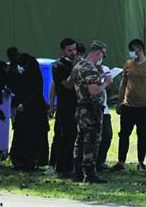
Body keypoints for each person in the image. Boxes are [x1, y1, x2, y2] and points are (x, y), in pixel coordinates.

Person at [110, 39, 146, 173]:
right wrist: (118, 102)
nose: (131, 52)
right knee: (124, 135)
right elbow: (123, 83)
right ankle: (121, 162)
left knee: (142, 135)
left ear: (139, 50)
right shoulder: (128, 64)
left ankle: (141, 162)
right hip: (128, 106)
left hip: (144, 106)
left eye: (133, 49)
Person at [72, 40, 112, 183]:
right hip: (91, 111)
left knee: (80, 141)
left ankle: (77, 173)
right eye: (101, 55)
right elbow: (94, 91)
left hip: (81, 108)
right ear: (98, 53)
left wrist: (98, 80)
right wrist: (106, 82)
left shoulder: (78, 66)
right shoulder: (91, 69)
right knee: (92, 141)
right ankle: (89, 174)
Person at [9, 53, 50, 171]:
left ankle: (30, 161)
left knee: (31, 137)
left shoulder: (34, 76)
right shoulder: (27, 75)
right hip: (27, 110)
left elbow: (36, 93)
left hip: (33, 112)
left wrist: (25, 104)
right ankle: (22, 160)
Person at [47, 38, 81, 178]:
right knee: (64, 139)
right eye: (69, 50)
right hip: (64, 107)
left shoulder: (75, 62)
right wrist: (74, 66)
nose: (73, 53)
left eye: (74, 50)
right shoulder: (58, 66)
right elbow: (67, 85)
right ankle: (60, 170)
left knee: (73, 138)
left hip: (76, 105)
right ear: (62, 51)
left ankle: (69, 168)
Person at [96, 57, 114, 172]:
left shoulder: (105, 68)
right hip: (92, 109)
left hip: (105, 109)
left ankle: (100, 162)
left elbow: (108, 87)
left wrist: (107, 79)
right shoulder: (87, 69)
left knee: (107, 135)